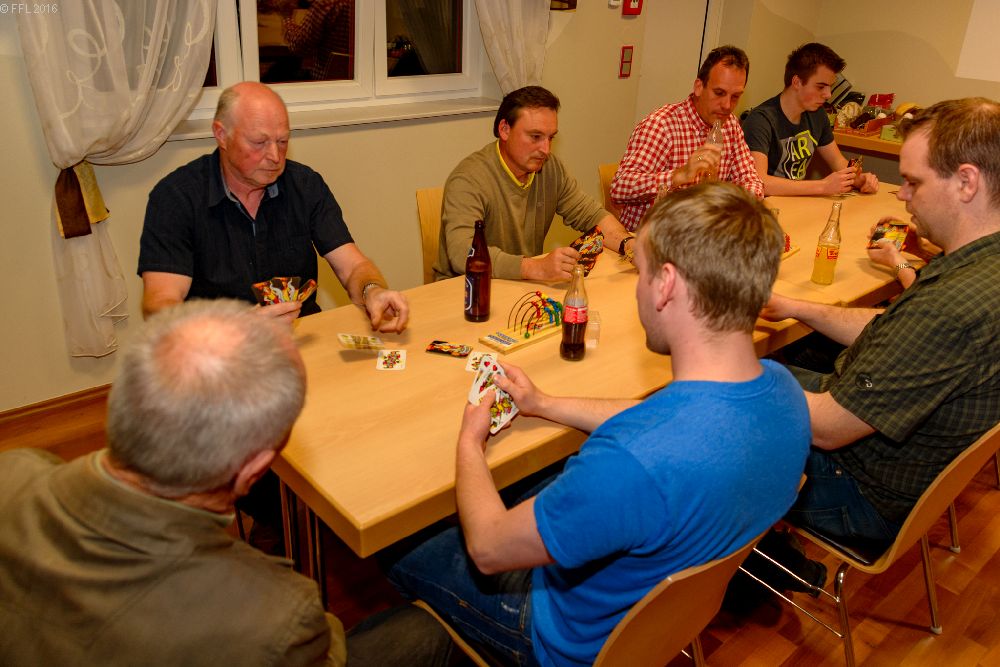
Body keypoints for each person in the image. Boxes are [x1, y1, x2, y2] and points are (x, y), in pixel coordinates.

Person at [389, 182, 811, 666]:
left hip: (563, 638)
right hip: (662, 623)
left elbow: (487, 547)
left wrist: (469, 440)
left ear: (666, 284)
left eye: (642, 271)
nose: (637, 286)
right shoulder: (788, 396)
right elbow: (655, 421)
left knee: (401, 539)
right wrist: (544, 403)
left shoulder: (629, 464)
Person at [0, 300, 452, 666]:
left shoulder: (13, 469)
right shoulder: (278, 616)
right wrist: (325, 626)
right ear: (254, 471)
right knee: (426, 632)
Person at [761, 98, 1000, 545]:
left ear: (967, 182)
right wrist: (798, 307)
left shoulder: (951, 308)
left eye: (913, 181)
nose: (903, 194)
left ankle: (718, 560)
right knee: (766, 367)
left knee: (696, 404)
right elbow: (895, 330)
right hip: (892, 464)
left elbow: (827, 429)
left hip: (857, 489)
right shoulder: (980, 267)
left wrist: (714, 366)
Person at [139, 81, 408, 332]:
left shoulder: (305, 185)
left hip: (299, 337)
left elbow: (352, 266)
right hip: (214, 347)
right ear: (221, 135)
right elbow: (160, 305)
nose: (275, 156)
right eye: (259, 143)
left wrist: (372, 290)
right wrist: (237, 325)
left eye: (282, 141)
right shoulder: (176, 197)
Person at [433, 85, 636, 283]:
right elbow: (462, 253)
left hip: (519, 284)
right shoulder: (469, 179)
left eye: (550, 138)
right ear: (504, 129)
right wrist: (535, 268)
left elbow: (593, 216)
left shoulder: (550, 168)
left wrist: (629, 245)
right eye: (535, 137)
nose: (546, 150)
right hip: (465, 289)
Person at [611, 45, 764, 232]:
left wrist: (731, 207)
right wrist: (679, 175)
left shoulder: (730, 125)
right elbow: (620, 187)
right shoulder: (662, 125)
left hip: (701, 235)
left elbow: (751, 181)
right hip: (651, 238)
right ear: (699, 87)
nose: (727, 105)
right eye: (719, 93)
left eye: (736, 97)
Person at [741, 42, 879, 196]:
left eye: (830, 87)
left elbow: (837, 161)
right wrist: (823, 186)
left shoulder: (817, 114)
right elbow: (760, 181)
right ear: (797, 82)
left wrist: (859, 179)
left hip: (797, 203)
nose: (828, 95)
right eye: (820, 87)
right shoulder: (760, 120)